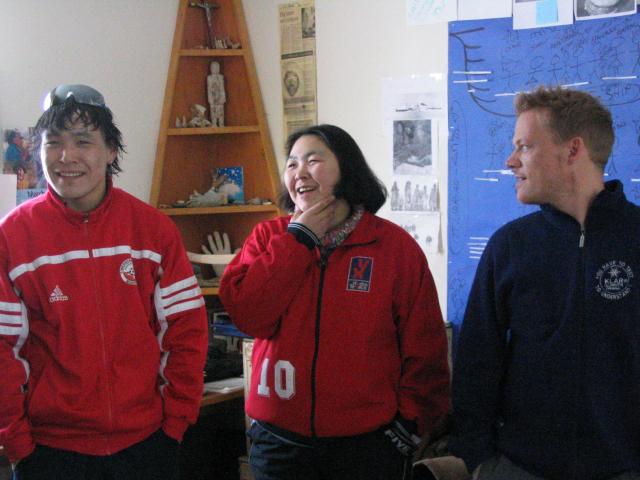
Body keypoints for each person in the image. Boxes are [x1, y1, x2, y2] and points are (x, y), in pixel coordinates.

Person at [0, 84, 208, 479]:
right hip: (50, 453)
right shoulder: (11, 237)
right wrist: (18, 444)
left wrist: (175, 423)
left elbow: (186, 332)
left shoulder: (153, 231)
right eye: (53, 142)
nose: (66, 156)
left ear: (111, 151)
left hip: (147, 446)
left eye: (83, 141)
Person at [219, 124, 450, 480]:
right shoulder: (268, 238)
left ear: (347, 168)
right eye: (292, 164)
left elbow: (425, 348)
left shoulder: (393, 247)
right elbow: (249, 315)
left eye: (313, 160)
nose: (299, 172)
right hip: (280, 444)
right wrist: (299, 240)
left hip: (368, 447)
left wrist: (407, 430)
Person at [449, 86, 640, 479]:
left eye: (525, 146)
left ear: (573, 150)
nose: (511, 161)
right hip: (519, 467)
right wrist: (478, 460)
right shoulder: (509, 246)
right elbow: (476, 364)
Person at [206, 61, 226, 127]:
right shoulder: (209, 78)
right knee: (213, 111)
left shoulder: (221, 77)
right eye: (214, 67)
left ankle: (221, 123)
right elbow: (209, 88)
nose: (215, 69)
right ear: (211, 68)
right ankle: (214, 123)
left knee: (220, 111)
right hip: (213, 96)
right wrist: (210, 99)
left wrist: (223, 97)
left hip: (220, 96)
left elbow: (222, 88)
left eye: (217, 67)